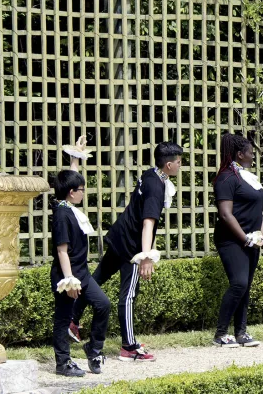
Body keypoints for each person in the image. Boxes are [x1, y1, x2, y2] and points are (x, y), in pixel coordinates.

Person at [70, 141, 183, 361]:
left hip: (118, 237)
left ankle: (72, 320)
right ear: (169, 165)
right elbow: (148, 223)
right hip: (131, 247)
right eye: (179, 162)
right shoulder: (156, 187)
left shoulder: (151, 174)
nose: (180, 166)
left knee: (96, 279)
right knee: (129, 295)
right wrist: (146, 257)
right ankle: (129, 347)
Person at [51, 136, 110, 377]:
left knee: (103, 305)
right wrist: (69, 282)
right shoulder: (62, 215)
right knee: (64, 319)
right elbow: (61, 251)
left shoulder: (70, 207)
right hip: (69, 275)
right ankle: (62, 363)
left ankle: (93, 349)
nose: (84, 192)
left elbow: (71, 179)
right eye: (81, 190)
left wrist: (76, 156)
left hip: (82, 273)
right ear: (72, 193)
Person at [212, 133, 263, 347]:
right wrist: (245, 239)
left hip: (252, 240)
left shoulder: (248, 176)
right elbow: (226, 214)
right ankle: (220, 334)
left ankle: (241, 333)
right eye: (250, 152)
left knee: (245, 286)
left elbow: (258, 212)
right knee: (238, 283)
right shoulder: (227, 177)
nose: (253, 156)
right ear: (240, 154)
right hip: (231, 240)